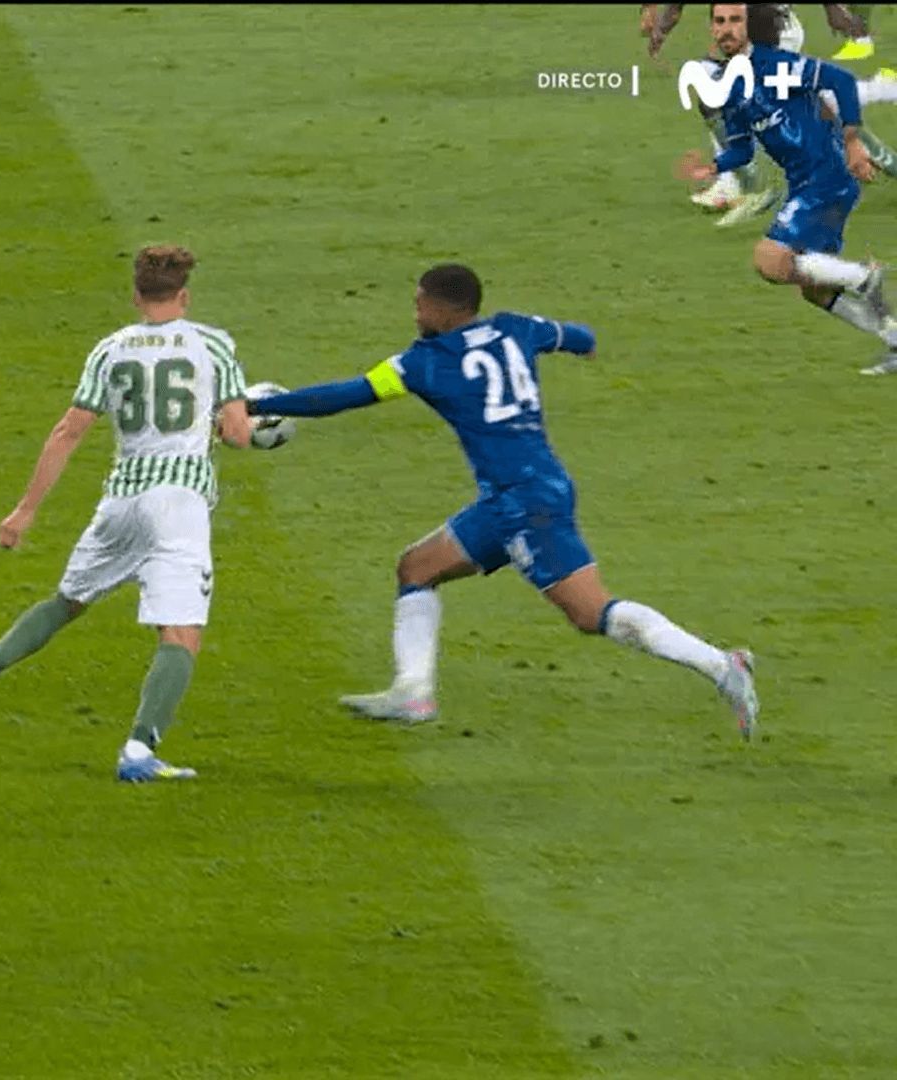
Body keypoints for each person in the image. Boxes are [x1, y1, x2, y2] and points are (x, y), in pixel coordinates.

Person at [247, 265, 762, 740]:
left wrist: (257, 405)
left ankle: (721, 666)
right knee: (417, 567)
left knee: (590, 613)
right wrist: (581, 347)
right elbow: (579, 337)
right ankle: (413, 692)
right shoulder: (518, 328)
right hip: (523, 491)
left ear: (444, 310)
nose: (416, 313)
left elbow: (346, 394)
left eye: (420, 304)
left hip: (524, 506)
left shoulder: (425, 363)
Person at [0, 245, 260, 782]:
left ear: (136, 296)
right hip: (178, 503)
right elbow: (238, 435)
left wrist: (24, 511)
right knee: (180, 631)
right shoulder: (213, 344)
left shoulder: (112, 348)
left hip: (121, 498)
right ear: (185, 296)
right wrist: (240, 427)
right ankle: (140, 752)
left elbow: (69, 430)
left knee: (68, 600)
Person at [676, 4, 897, 375]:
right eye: (719, 21)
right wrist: (712, 167)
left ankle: (862, 277)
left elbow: (840, 82)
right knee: (814, 289)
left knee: (770, 259)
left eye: (735, 20)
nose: (726, 29)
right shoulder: (731, 86)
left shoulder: (775, 65)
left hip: (826, 175)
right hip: (806, 183)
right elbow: (743, 148)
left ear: (752, 26)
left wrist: (853, 143)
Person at [645, 3, 897, 226]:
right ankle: (737, 183)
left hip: (775, 30)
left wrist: (833, 10)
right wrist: (662, 29)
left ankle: (748, 186)